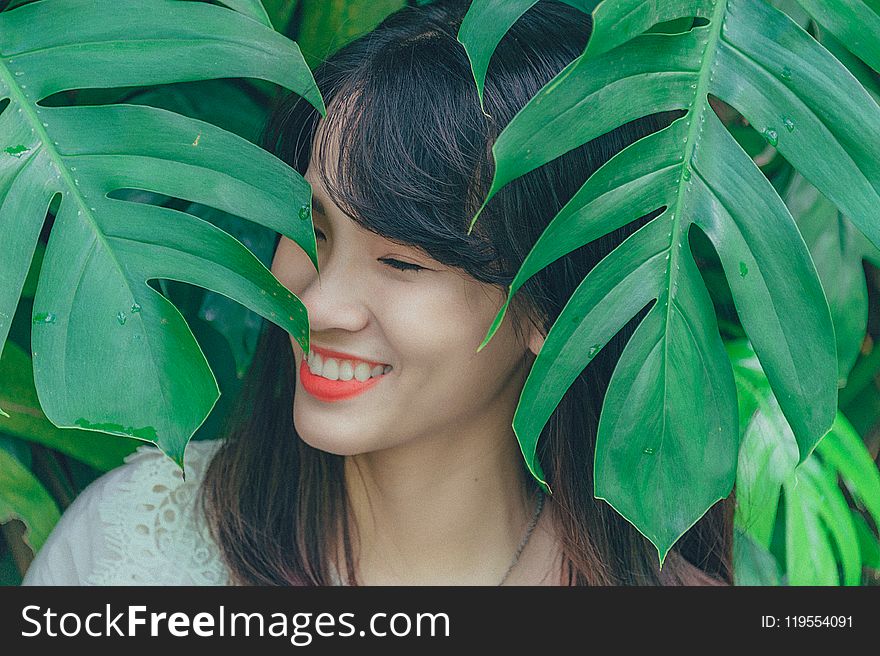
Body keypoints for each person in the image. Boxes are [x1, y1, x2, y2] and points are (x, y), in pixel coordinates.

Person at [23, 0, 732, 586]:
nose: (319, 305)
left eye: (401, 262)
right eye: (314, 230)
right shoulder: (130, 553)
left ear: (555, 309)